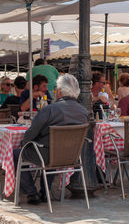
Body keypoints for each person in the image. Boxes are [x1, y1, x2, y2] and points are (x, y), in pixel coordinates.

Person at [13, 74, 88, 205]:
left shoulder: (50, 109)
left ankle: (31, 193)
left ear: (59, 91)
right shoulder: (83, 111)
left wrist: (25, 143)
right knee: (53, 148)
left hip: (48, 155)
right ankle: (45, 191)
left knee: (16, 153)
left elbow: (29, 135)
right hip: (72, 156)